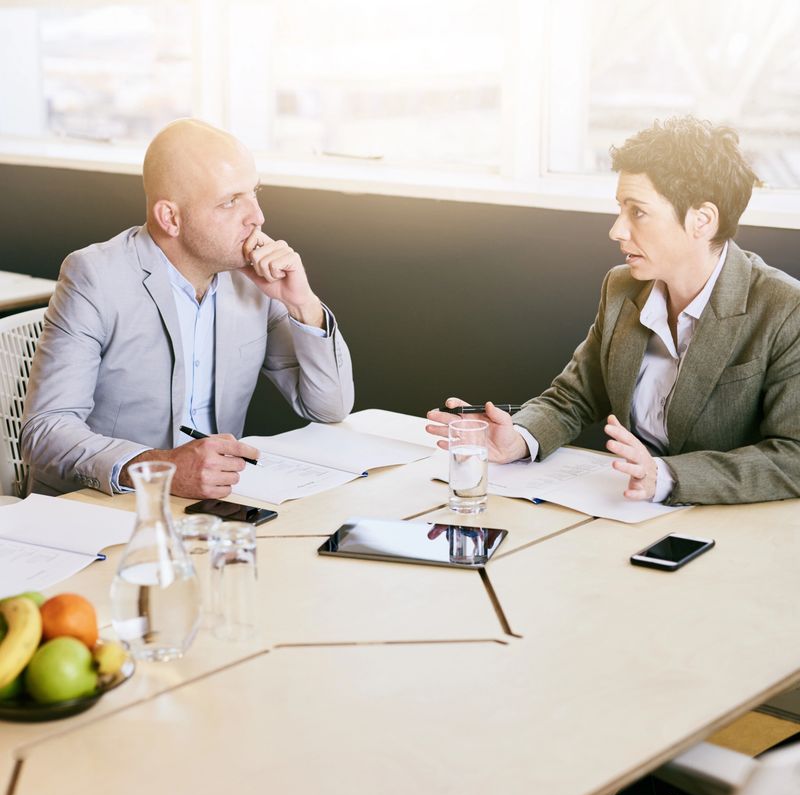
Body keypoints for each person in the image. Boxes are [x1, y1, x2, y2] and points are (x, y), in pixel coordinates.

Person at [427, 116, 800, 506]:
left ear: (702, 220)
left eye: (637, 212)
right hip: (626, 512)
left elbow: (794, 455)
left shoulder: (784, 309)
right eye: (620, 209)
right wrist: (519, 438)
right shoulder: (622, 288)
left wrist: (667, 476)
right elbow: (573, 397)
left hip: (733, 526)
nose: (617, 230)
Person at [21, 119, 354, 499]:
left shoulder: (253, 279)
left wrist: (301, 302)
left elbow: (329, 408)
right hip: (102, 506)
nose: (257, 217)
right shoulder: (95, 275)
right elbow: (45, 430)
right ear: (171, 218)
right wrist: (159, 469)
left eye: (254, 193)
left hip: (211, 508)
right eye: (230, 201)